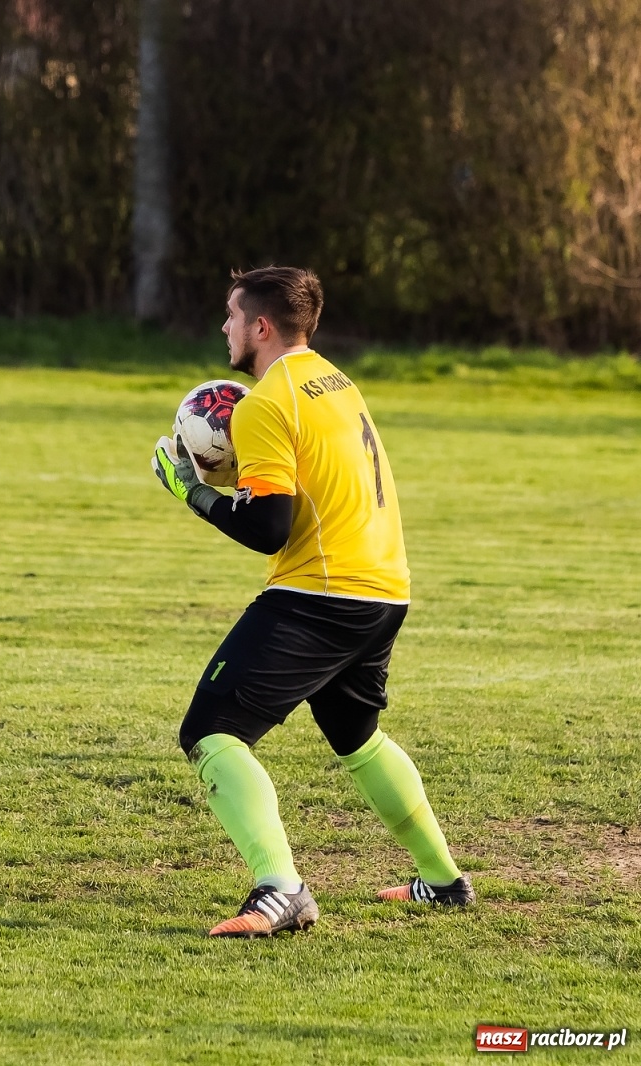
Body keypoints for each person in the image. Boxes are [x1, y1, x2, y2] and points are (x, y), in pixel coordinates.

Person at [151, 265, 472, 937]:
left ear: (260, 326)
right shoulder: (333, 380)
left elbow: (270, 527)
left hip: (319, 596)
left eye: (232, 316)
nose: (224, 327)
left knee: (211, 731)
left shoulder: (266, 404)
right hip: (383, 587)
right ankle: (443, 882)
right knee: (356, 736)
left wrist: (194, 493)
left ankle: (280, 889)